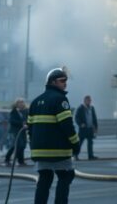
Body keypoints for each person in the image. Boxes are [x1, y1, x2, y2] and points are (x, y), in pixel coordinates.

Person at [28, 68, 79, 204]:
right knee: (66, 176)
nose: (65, 84)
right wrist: (76, 144)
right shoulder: (61, 99)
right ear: (53, 82)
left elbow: (30, 129)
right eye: (62, 81)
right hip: (59, 151)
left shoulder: (35, 102)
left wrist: (33, 148)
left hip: (39, 151)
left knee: (44, 179)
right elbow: (67, 126)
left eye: (66, 81)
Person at [5, 99, 29, 166]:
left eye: (22, 102)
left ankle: (21, 161)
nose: (21, 104)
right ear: (16, 104)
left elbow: (26, 119)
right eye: (19, 103)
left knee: (23, 146)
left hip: (22, 130)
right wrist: (22, 124)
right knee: (17, 145)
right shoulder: (13, 111)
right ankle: (7, 159)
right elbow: (12, 121)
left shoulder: (23, 111)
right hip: (15, 131)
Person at [75, 95, 99, 160]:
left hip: (90, 128)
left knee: (90, 143)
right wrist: (80, 124)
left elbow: (94, 118)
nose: (89, 102)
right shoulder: (80, 108)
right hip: (83, 129)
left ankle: (90, 156)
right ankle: (75, 155)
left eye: (90, 100)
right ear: (85, 101)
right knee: (80, 143)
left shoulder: (92, 108)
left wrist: (96, 127)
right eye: (88, 100)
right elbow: (76, 118)